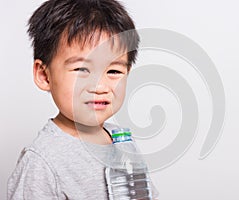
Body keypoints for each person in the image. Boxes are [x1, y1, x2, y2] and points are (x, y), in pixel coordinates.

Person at [7, 0, 157, 199]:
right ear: (44, 76)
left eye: (113, 71)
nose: (99, 87)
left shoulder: (123, 141)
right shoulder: (43, 161)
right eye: (81, 70)